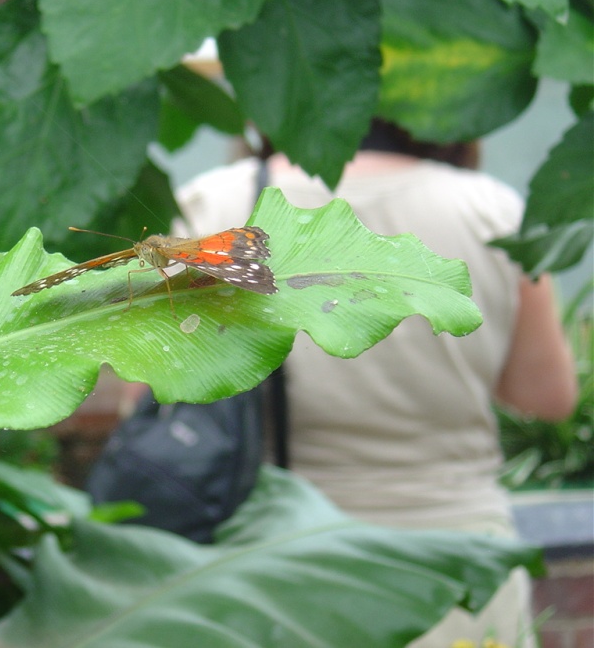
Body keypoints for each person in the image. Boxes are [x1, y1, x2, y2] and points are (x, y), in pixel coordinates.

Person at [174, 119, 578, 647]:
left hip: (277, 569)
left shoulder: (213, 205)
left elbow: (161, 396)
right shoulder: (492, 213)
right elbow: (547, 397)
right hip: (455, 565)